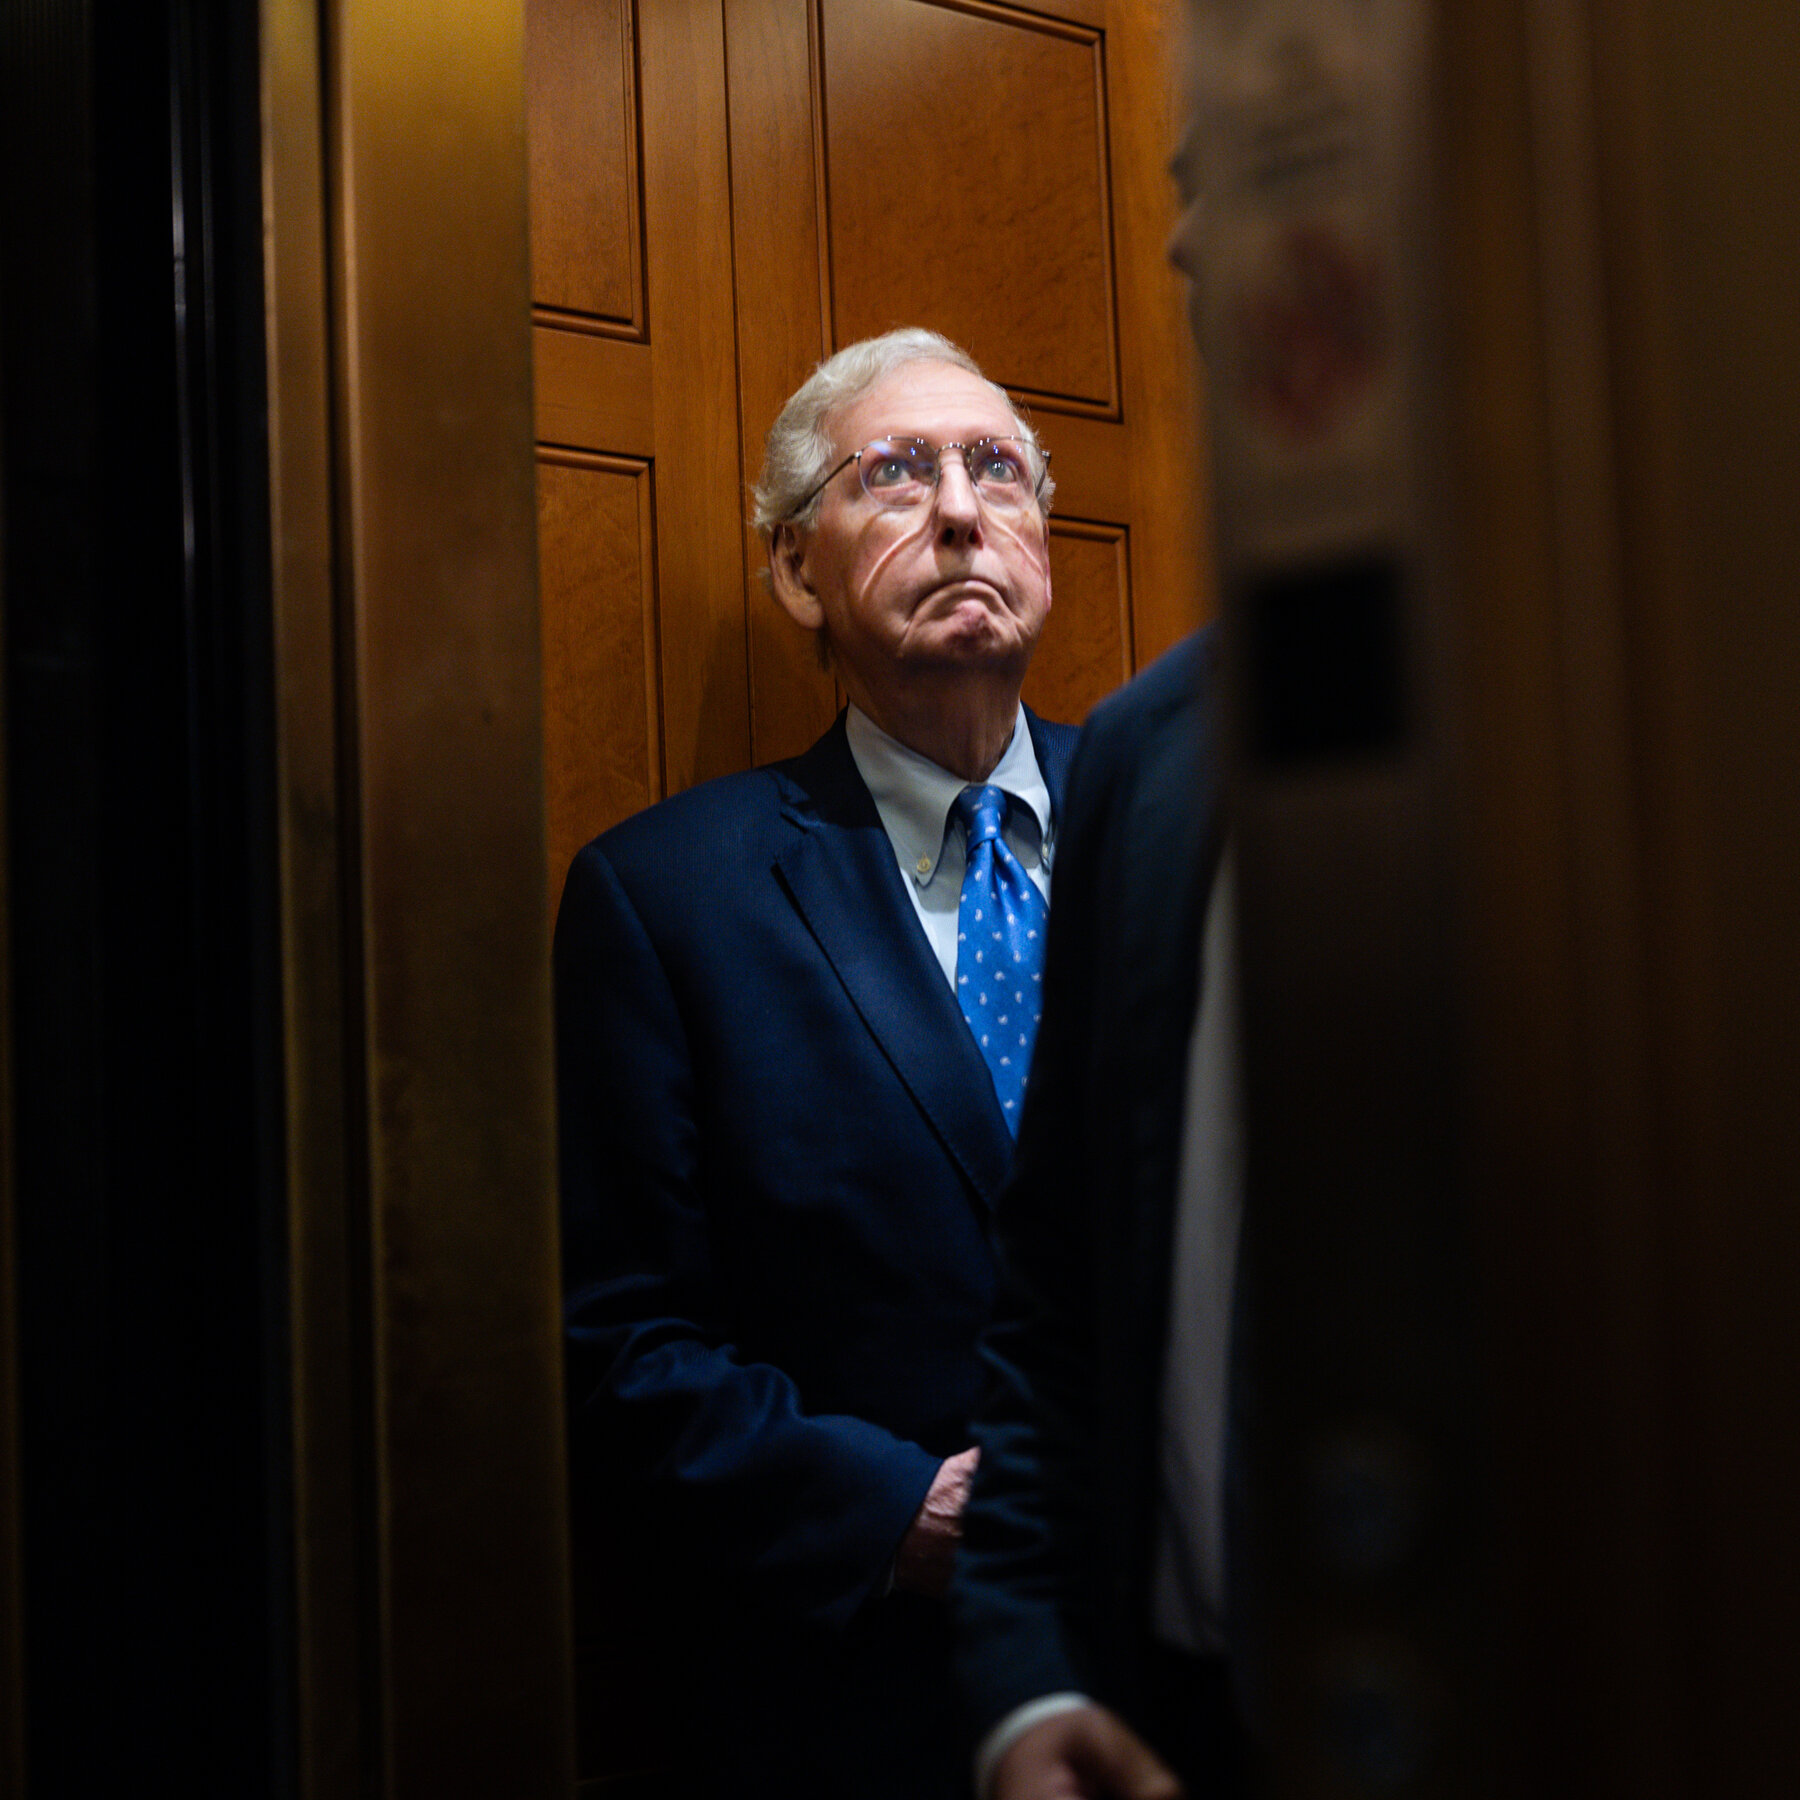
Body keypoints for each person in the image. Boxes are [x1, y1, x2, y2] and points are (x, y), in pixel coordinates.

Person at [555, 327, 1078, 1799]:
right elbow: (620, 1341)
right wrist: (892, 1511)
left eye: (998, 470)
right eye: (896, 473)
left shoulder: (1198, 825)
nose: (963, 509)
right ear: (797, 570)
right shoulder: (668, 899)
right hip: (869, 1703)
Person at [949, 75, 1254, 1800]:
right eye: (1181, 181)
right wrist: (1024, 1678)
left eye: (1000, 466)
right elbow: (1057, 1288)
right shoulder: (1161, 751)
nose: (1190, 237)